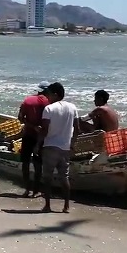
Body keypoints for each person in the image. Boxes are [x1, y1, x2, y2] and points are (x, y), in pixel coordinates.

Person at [35, 82, 79, 213]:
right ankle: (66, 206)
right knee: (64, 177)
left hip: (50, 147)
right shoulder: (73, 108)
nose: (47, 96)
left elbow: (44, 130)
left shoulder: (49, 109)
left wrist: (38, 145)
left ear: (55, 94)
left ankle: (48, 205)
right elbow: (77, 128)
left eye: (48, 94)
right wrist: (73, 144)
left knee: (47, 177)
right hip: (65, 147)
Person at [17, 81, 51, 198]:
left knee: (25, 163)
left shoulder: (27, 101)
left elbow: (20, 118)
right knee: (38, 164)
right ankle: (36, 191)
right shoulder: (49, 102)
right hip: (42, 137)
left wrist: (32, 126)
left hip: (28, 135)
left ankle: (27, 189)